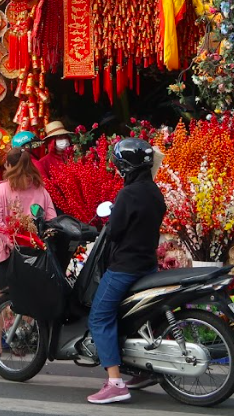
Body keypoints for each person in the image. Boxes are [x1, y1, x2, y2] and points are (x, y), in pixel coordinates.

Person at [86, 138, 165, 404]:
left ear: (127, 167)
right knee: (135, 317)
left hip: (125, 267)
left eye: (119, 165)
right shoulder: (154, 192)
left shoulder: (127, 195)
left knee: (99, 316)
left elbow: (115, 231)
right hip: (148, 265)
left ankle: (115, 382)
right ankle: (141, 371)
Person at [0, 147, 58, 355]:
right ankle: (22, 342)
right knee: (29, 296)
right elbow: (51, 219)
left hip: (6, 252)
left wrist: (12, 242)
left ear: (7, 165)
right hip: (33, 252)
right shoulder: (40, 190)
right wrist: (35, 240)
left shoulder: (2, 189)